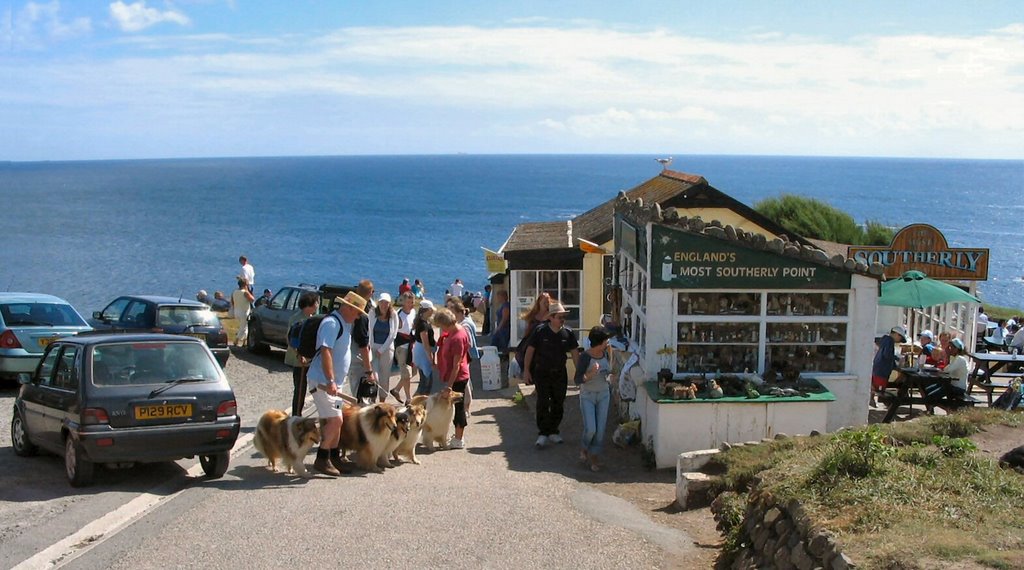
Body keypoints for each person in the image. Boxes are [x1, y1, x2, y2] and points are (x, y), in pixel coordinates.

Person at [307, 291, 367, 476]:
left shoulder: (345, 323)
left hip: (336, 385)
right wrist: (331, 380)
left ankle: (334, 457)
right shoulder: (332, 323)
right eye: (357, 312)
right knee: (336, 420)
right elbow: (326, 351)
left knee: (337, 419)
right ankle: (321, 458)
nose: (358, 317)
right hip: (323, 382)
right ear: (348, 307)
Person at [523, 301, 579, 448]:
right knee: (542, 401)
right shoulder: (540, 331)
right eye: (559, 317)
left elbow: (574, 353)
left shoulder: (568, 333)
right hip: (542, 372)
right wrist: (526, 370)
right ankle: (543, 433)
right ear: (551, 318)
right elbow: (530, 350)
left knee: (558, 402)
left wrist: (579, 373)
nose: (562, 320)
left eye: (563, 317)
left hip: (560, 372)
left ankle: (553, 430)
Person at [433, 307, 471, 449]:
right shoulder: (455, 331)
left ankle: (459, 438)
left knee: (458, 408)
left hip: (458, 378)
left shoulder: (458, 337)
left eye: (441, 326)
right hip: (454, 376)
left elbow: (457, 365)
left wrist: (449, 386)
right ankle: (456, 436)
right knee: (455, 407)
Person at [576, 326, 612, 471]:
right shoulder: (585, 357)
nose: (607, 343)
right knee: (591, 428)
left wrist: (612, 373)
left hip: (603, 394)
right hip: (588, 396)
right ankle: (584, 448)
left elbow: (608, 371)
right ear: (599, 342)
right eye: (606, 340)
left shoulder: (606, 354)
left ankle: (594, 459)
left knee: (600, 429)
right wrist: (589, 374)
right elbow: (578, 379)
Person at [285, 291, 319, 416]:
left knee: (313, 387)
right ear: (309, 305)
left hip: (311, 360)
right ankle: (296, 415)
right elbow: (290, 339)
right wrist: (299, 355)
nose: (317, 305)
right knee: (300, 389)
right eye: (316, 302)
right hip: (300, 360)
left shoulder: (311, 318)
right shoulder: (296, 319)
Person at [446, 297, 478, 415]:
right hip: (465, 355)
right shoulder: (462, 322)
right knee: (467, 382)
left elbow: (468, 343)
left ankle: (466, 408)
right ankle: (466, 408)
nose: (448, 311)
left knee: (465, 383)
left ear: (457, 311)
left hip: (466, 356)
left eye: (450, 308)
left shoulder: (465, 325)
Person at [345, 280, 377, 398]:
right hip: (359, 363)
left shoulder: (352, 309)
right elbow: (363, 345)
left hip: (354, 360)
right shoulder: (361, 316)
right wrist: (369, 371)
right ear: (370, 293)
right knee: (362, 398)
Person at [369, 292, 399, 403]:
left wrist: (382, 350)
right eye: (382, 302)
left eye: (386, 303)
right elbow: (369, 330)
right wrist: (371, 347)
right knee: (374, 376)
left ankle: (382, 402)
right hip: (373, 347)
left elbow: (393, 334)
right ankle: (372, 400)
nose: (384, 305)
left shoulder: (393, 314)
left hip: (387, 348)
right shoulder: (372, 313)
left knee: (384, 377)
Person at [392, 292, 418, 404]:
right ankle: (409, 398)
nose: (411, 304)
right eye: (408, 302)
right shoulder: (398, 316)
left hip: (411, 345)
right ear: (403, 302)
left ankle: (396, 389)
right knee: (406, 373)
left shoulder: (413, 312)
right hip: (401, 347)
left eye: (412, 302)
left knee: (414, 372)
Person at [871, 325, 906, 407]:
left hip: (878, 367)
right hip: (882, 369)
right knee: (880, 388)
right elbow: (887, 355)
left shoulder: (884, 340)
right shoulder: (889, 341)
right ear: (897, 334)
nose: (899, 341)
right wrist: (897, 358)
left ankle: (873, 399)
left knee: (876, 385)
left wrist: (895, 366)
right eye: (900, 338)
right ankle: (887, 403)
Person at [515, 292, 551, 368]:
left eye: (547, 302)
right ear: (539, 302)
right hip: (532, 339)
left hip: (545, 341)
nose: (546, 304)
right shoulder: (534, 315)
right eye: (544, 302)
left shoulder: (551, 315)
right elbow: (528, 329)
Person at [412, 300, 437, 395]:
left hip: (420, 353)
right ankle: (419, 403)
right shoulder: (423, 325)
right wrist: (431, 361)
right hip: (423, 355)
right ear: (428, 310)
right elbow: (426, 345)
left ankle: (415, 402)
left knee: (424, 382)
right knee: (426, 383)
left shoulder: (422, 322)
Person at [230, 278, 255, 346]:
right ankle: (236, 340)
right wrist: (249, 291)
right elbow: (252, 299)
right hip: (244, 312)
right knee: (243, 327)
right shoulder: (245, 292)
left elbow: (232, 302)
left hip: (237, 311)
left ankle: (245, 341)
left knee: (245, 326)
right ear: (245, 285)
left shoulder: (234, 292)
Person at [490, 289, 511, 354]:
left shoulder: (506, 306)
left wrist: (498, 328)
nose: (497, 299)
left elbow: (505, 318)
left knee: (501, 344)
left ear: (502, 297)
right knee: (495, 343)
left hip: (503, 329)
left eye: (498, 297)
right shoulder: (502, 305)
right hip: (501, 329)